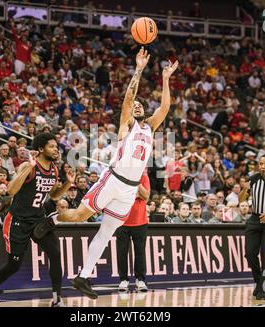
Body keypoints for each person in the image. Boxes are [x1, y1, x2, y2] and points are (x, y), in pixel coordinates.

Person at [54, 48, 178, 299]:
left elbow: (165, 107)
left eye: (143, 105)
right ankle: (50, 219)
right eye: (137, 106)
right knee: (79, 216)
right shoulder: (126, 125)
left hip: (130, 190)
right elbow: (128, 99)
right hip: (113, 179)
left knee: (107, 232)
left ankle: (83, 276)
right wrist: (140, 68)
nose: (139, 106)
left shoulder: (150, 128)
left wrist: (165, 79)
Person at [0, 133, 74, 307]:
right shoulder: (28, 165)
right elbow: (10, 190)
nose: (56, 150)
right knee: (14, 265)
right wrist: (28, 168)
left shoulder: (53, 169)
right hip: (18, 220)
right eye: (51, 146)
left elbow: (53, 195)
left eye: (56, 146)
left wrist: (67, 184)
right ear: (40, 149)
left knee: (55, 253)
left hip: (38, 219)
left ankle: (57, 299)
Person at [239, 154, 265, 300]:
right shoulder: (254, 178)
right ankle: (259, 282)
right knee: (249, 253)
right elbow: (241, 200)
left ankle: (263, 289)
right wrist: (245, 190)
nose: (262, 166)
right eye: (261, 164)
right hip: (254, 218)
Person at [116, 169, 150, 292]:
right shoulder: (119, 175)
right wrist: (135, 194)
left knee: (140, 252)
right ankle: (123, 280)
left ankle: (140, 280)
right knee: (121, 252)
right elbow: (117, 195)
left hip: (140, 221)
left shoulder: (144, 177)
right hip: (121, 220)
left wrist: (136, 182)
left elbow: (146, 196)